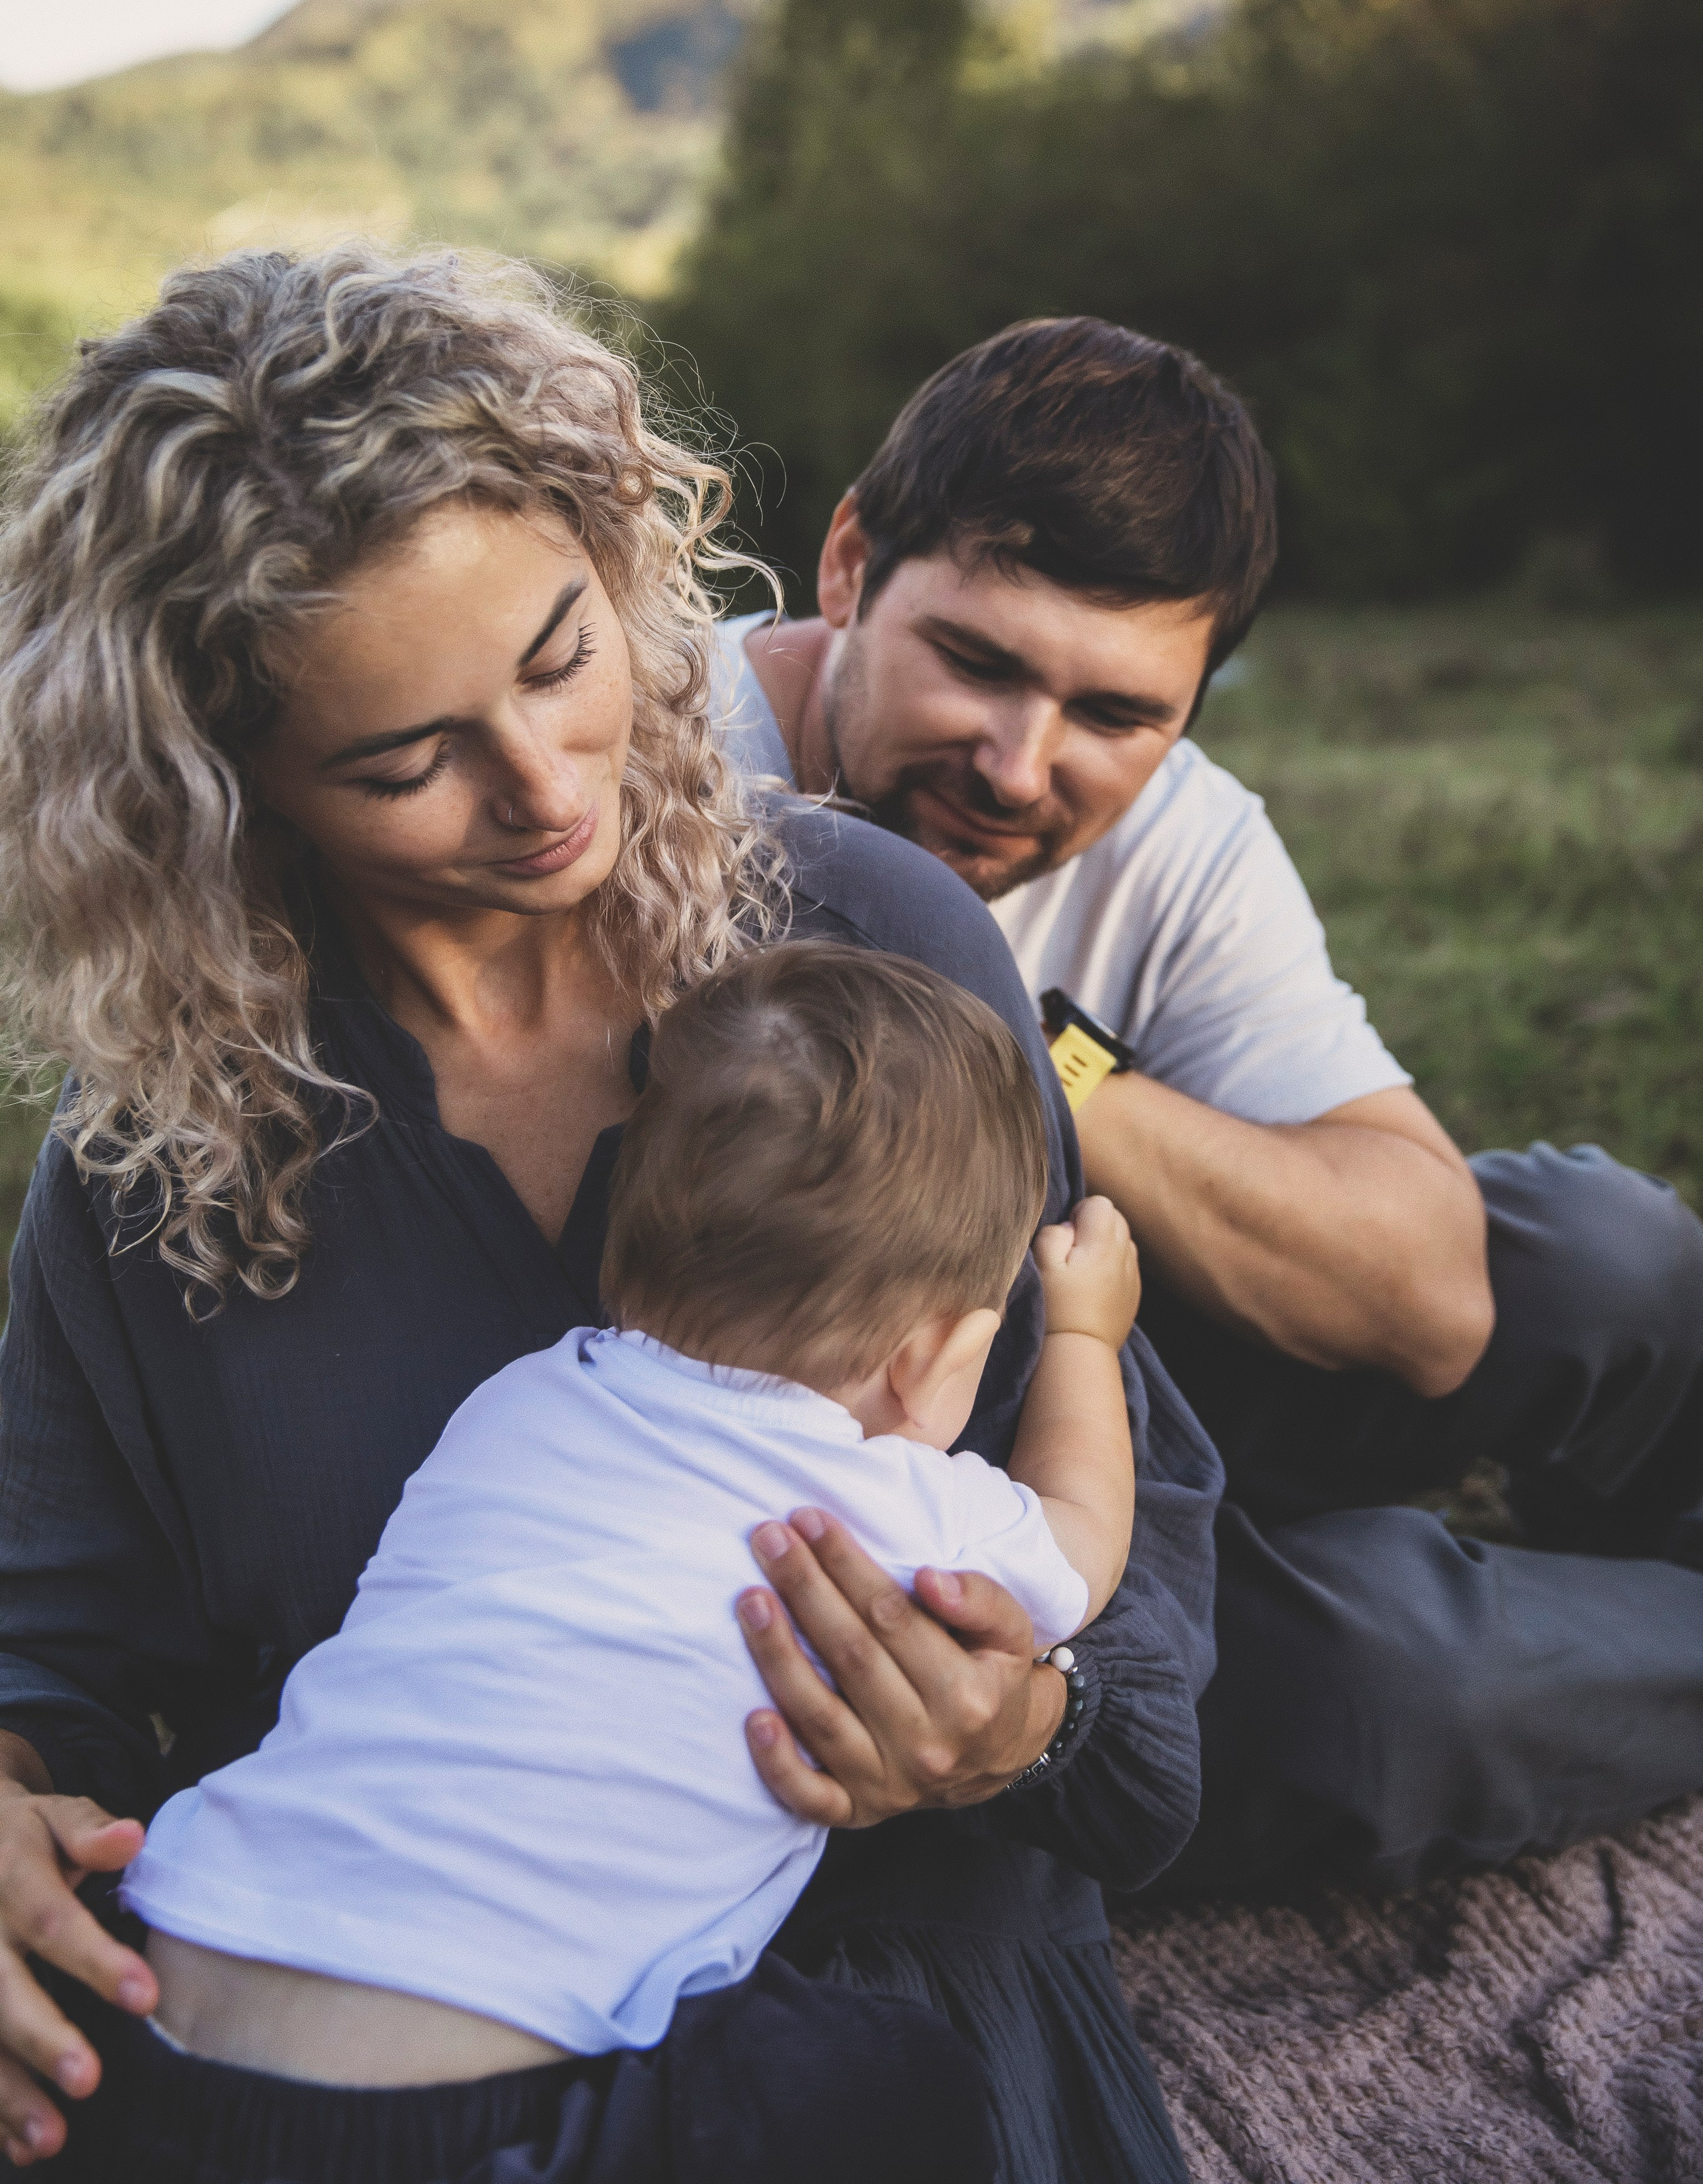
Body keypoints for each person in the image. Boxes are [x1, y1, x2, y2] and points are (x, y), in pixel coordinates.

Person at [0, 251, 1209, 2184]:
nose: (547, 788)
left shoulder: (872, 947)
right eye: (406, 761)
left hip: (889, 1982)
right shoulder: (160, 1144)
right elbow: (47, 1649)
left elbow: (1130, 1599)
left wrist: (1024, 1726)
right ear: (219, 784)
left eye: (562, 658)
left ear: (620, 561)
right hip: (383, 2048)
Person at [716, 313, 1703, 1897]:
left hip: (1116, 1357)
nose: (1019, 766)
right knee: (1395, 1681)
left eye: (1115, 716)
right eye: (975, 663)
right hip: (879, 1521)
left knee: (1599, 1253)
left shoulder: (1176, 834)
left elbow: (1430, 1301)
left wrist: (1033, 1050)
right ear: (846, 568)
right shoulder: (655, 787)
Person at [104, 944, 1140, 2184]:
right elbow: (1084, 1536)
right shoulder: (894, 1506)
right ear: (933, 1362)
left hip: (167, 1980)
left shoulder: (520, 1400)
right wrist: (1085, 1335)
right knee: (898, 2083)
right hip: (473, 2112)